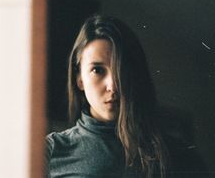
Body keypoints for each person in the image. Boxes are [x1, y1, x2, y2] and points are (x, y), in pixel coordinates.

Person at [45, 15, 169, 177]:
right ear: (79, 79)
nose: (113, 86)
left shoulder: (173, 152)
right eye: (97, 70)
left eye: (121, 69)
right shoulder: (50, 150)